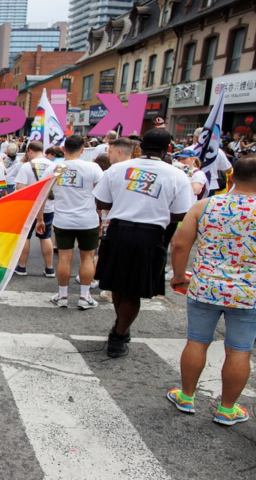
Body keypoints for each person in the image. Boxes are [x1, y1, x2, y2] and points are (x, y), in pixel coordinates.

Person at [166, 154, 256, 425]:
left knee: (197, 341)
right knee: (240, 349)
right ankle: (227, 409)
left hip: (205, 286)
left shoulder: (205, 205)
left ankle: (186, 396)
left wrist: (179, 275)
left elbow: (179, 244)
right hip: (249, 292)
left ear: (232, 176)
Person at [94, 129, 193, 357]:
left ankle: (120, 328)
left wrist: (127, 202)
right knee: (131, 290)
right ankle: (119, 336)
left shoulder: (118, 169)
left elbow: (101, 201)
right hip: (149, 236)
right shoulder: (176, 175)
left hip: (118, 230)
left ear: (142, 145)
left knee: (119, 285)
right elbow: (181, 213)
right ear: (167, 148)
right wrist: (157, 210)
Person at [41, 134, 104, 310]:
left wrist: (40, 218)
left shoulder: (57, 168)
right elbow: (102, 195)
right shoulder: (92, 167)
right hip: (88, 220)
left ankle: (62, 295)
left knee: (64, 258)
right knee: (87, 258)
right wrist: (103, 215)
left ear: (63, 149)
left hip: (63, 220)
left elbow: (43, 196)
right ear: (82, 150)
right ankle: (84, 296)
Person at [14, 141, 55, 277]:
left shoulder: (27, 166)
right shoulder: (53, 165)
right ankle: (49, 268)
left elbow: (20, 187)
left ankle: (22, 267)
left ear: (30, 151)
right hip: (48, 206)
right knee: (46, 236)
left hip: (29, 206)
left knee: (25, 236)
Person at [191, 126, 231, 195]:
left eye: (194, 137)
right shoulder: (218, 151)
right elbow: (228, 169)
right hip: (210, 185)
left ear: (197, 138)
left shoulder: (188, 150)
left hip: (192, 183)